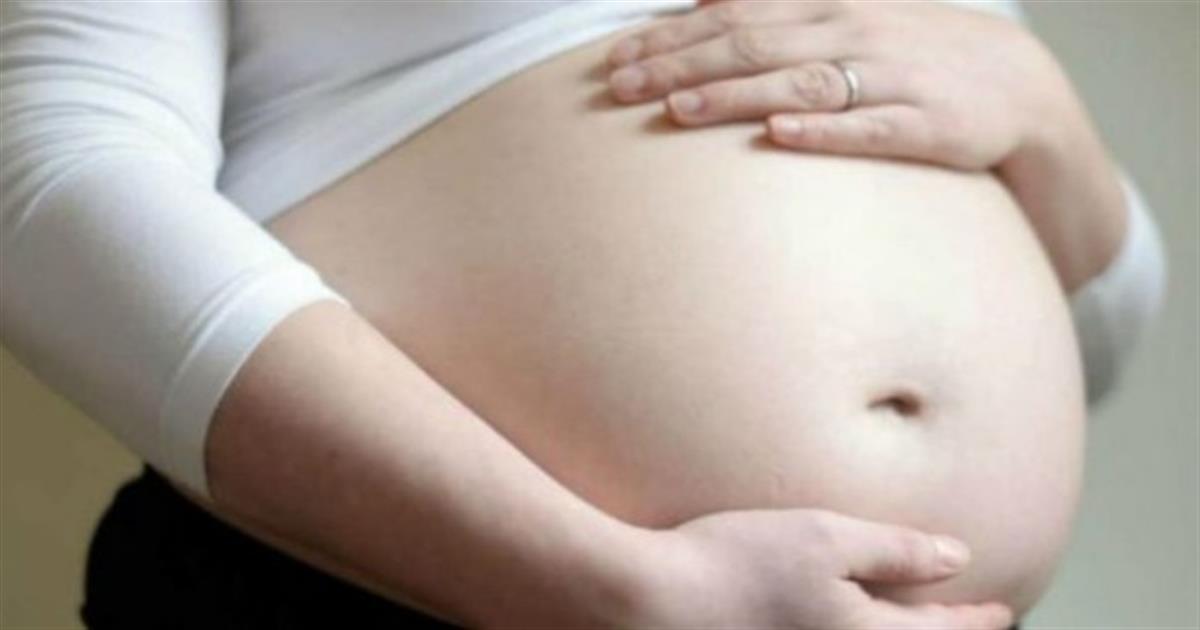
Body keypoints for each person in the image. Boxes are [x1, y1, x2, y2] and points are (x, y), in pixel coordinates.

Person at [0, 1, 1165, 628]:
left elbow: (1101, 337)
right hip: (416, 587)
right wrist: (604, 592)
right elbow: (49, 179)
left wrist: (1047, 117)